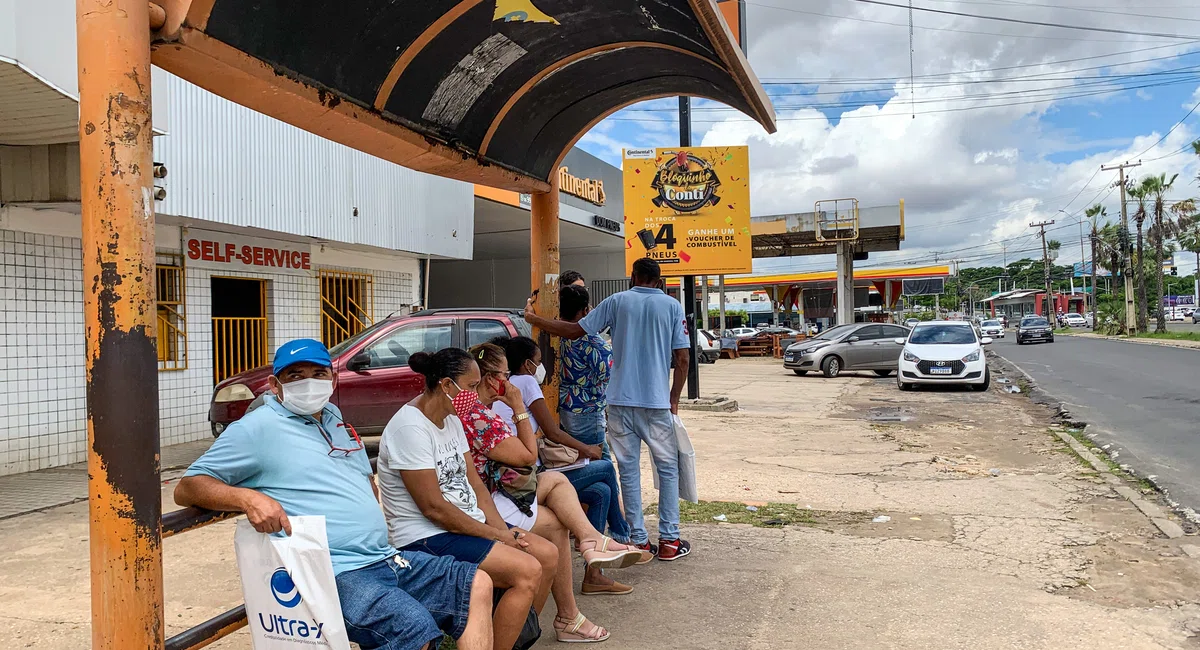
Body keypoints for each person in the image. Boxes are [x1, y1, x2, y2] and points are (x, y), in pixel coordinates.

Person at [174, 339, 493, 650]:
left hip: (383, 556)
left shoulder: (333, 417)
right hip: (333, 570)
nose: (308, 383)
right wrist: (247, 499)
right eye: (295, 375)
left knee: (477, 585)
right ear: (275, 384)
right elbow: (188, 486)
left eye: (318, 373)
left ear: (333, 377)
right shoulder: (257, 428)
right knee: (412, 629)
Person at [378, 348, 638, 644]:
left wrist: (503, 532)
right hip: (425, 535)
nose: (474, 395)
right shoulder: (409, 428)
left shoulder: (450, 418)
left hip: (463, 523)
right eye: (471, 386)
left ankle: (517, 640)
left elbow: (475, 485)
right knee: (526, 569)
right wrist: (498, 536)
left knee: (547, 553)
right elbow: (434, 508)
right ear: (447, 385)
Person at [524, 257, 692, 562]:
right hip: (656, 404)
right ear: (659, 279)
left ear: (633, 276)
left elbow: (575, 330)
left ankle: (638, 540)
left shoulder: (616, 301)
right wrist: (675, 399)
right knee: (668, 470)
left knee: (628, 471)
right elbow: (682, 359)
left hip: (618, 403)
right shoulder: (672, 306)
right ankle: (669, 540)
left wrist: (534, 320)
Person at [465, 342, 644, 596]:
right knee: (601, 467)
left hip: (513, 484)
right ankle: (618, 536)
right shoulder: (511, 394)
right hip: (510, 489)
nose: (541, 367)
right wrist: (518, 408)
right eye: (504, 376)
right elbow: (535, 449)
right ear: (493, 378)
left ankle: (594, 558)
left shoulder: (487, 409)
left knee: (601, 491)